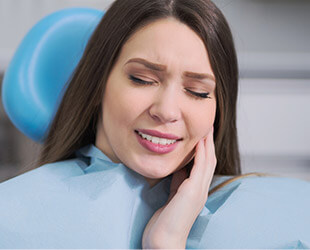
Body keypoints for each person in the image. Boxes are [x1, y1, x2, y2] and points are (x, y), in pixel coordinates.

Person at [1, 0, 309, 248]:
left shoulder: (287, 214)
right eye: (142, 79)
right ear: (97, 85)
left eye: (197, 91)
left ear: (218, 110)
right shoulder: (13, 220)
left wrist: (167, 243)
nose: (167, 110)